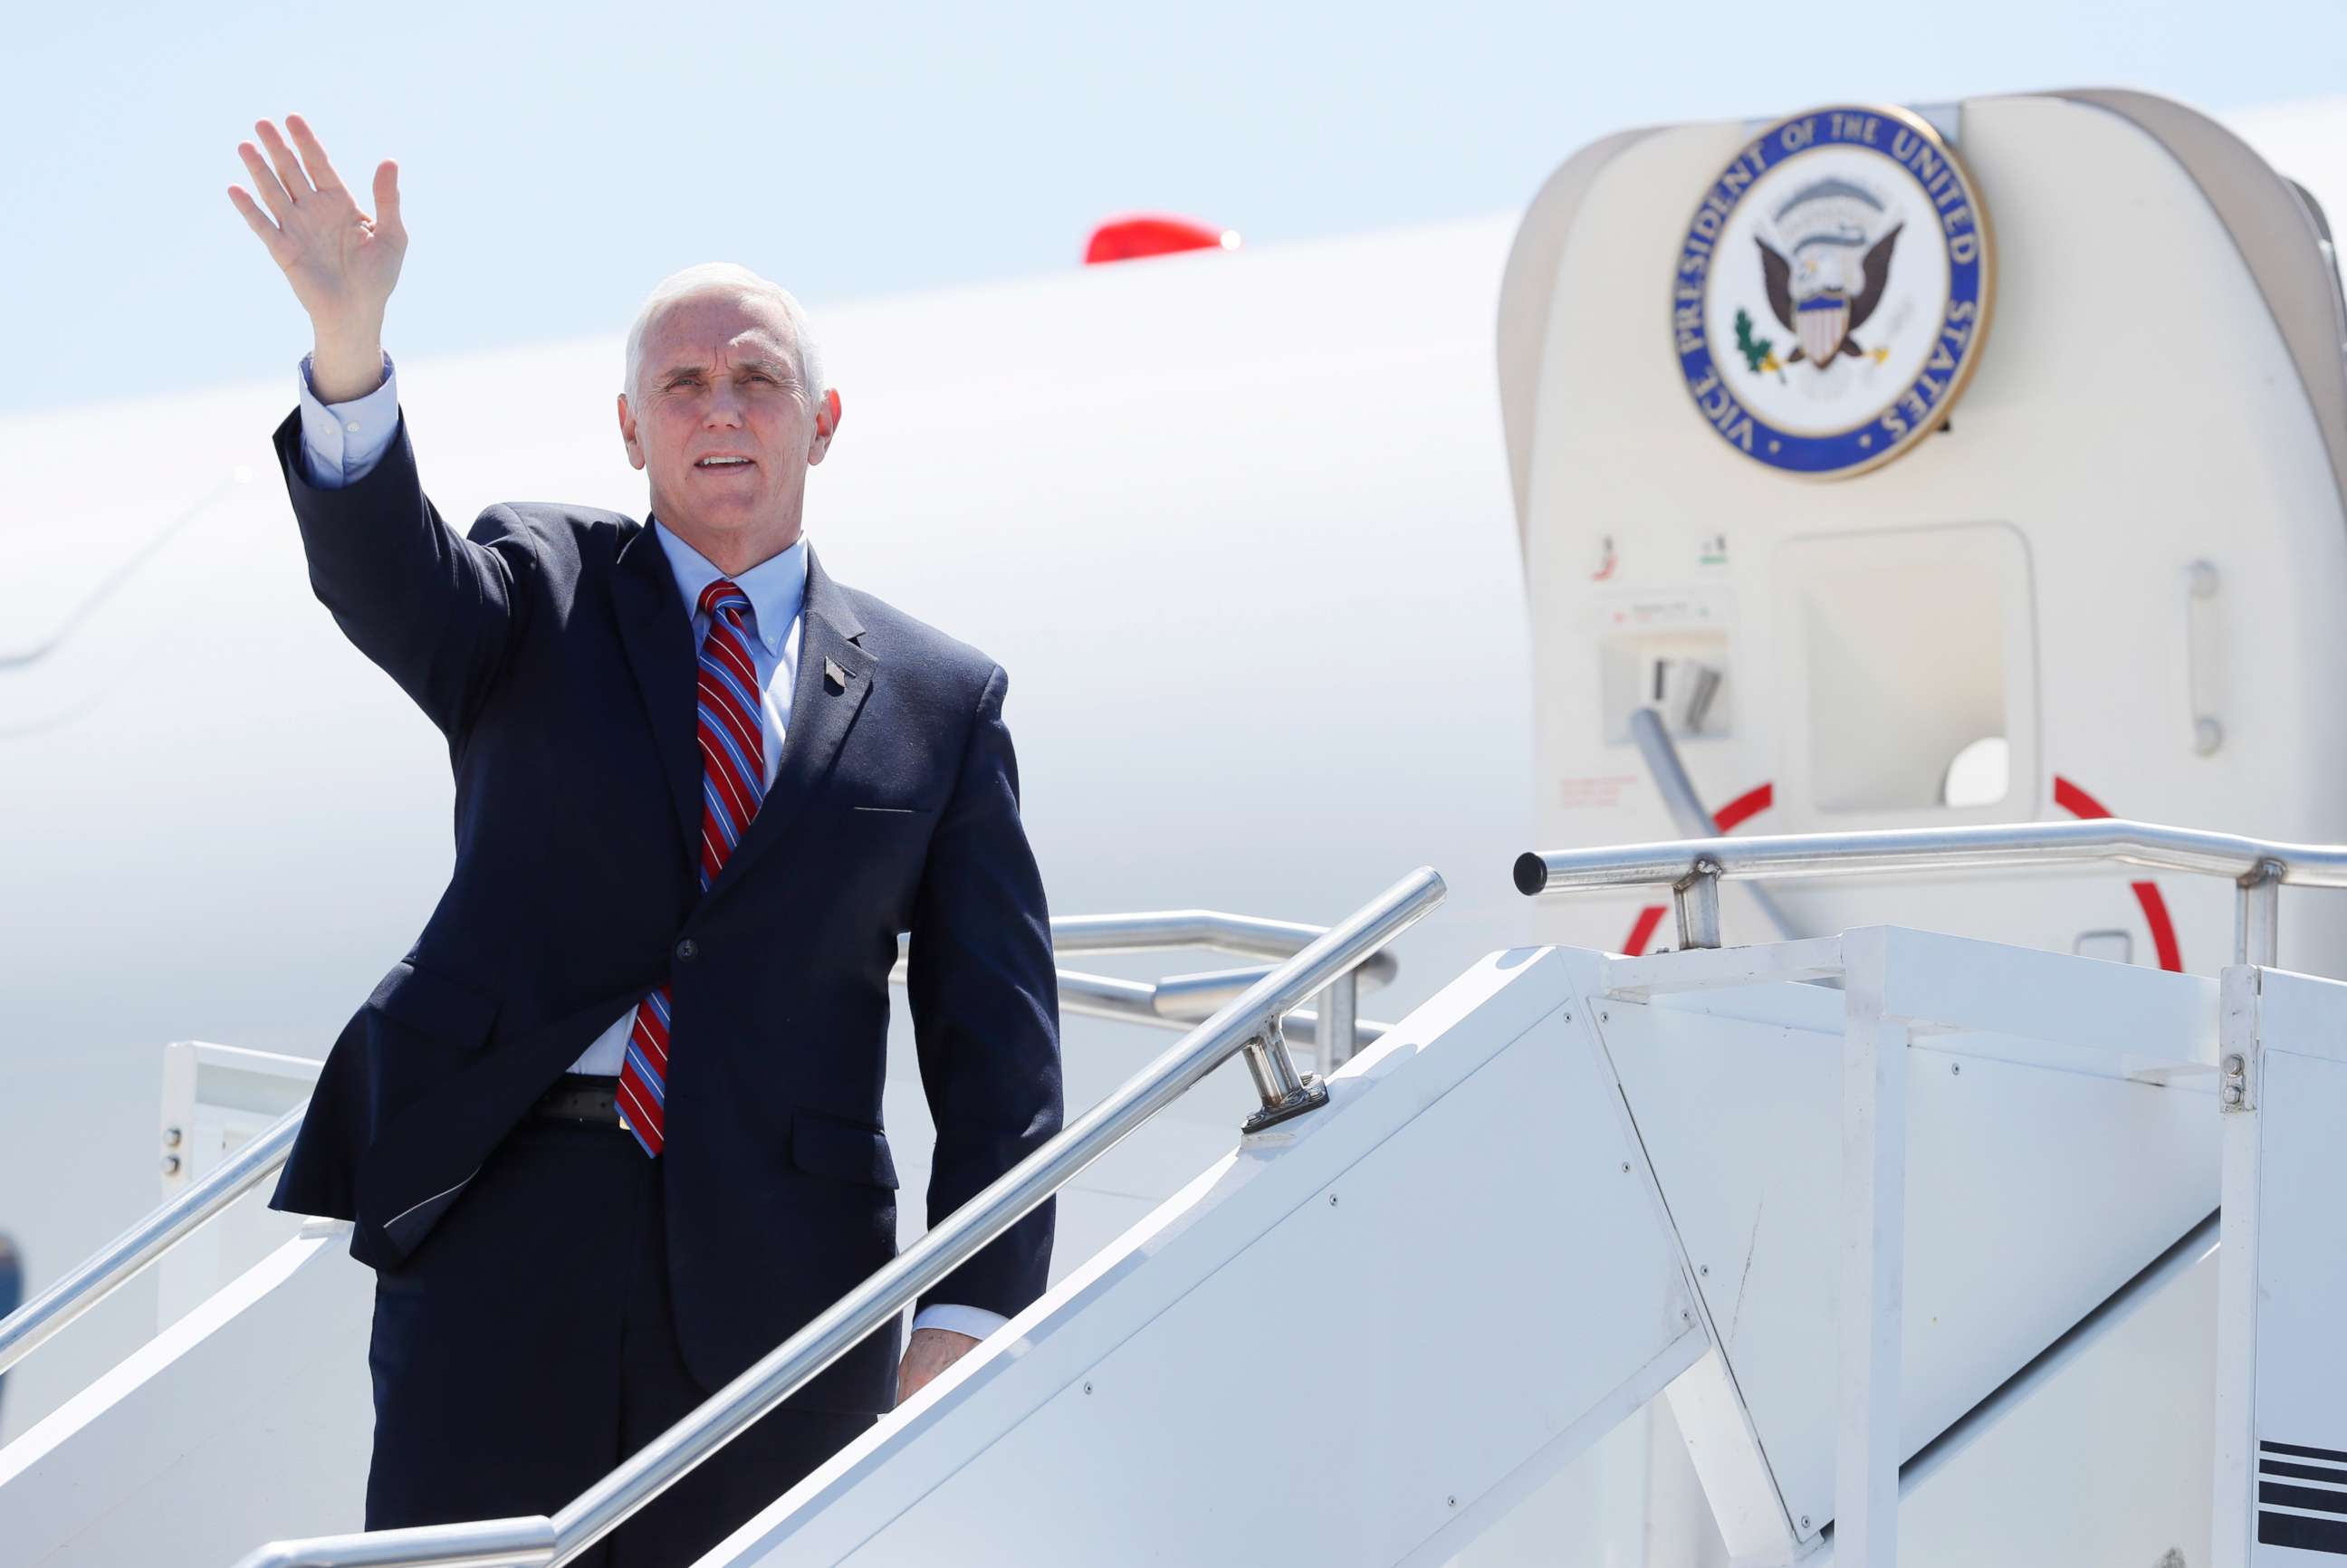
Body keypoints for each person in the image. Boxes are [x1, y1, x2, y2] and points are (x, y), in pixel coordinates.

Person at [225, 114, 1062, 1566]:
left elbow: (998, 1049)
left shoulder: (942, 700)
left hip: (789, 1287)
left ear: (823, 419)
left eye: (756, 379)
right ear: (631, 429)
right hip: (503, 1239)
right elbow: (384, 579)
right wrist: (347, 344)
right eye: (681, 383)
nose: (719, 408)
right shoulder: (537, 594)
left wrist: (973, 1304)